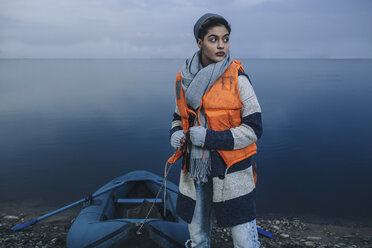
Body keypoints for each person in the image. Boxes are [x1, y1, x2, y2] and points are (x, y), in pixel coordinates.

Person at [169, 13, 262, 248]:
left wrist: (210, 137)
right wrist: (175, 134)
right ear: (199, 42)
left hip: (232, 172)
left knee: (245, 242)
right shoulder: (184, 79)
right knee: (198, 238)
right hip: (195, 170)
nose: (221, 45)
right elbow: (178, 117)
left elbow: (254, 129)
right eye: (213, 39)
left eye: (225, 39)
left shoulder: (238, 78)